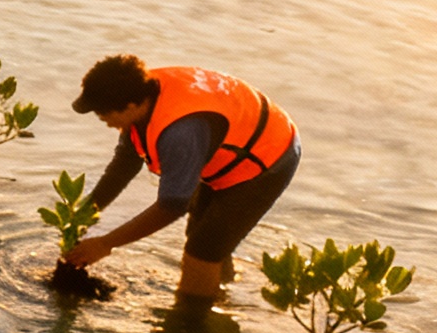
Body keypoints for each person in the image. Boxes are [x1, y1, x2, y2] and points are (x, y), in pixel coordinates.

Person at [61, 54, 302, 304]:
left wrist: (105, 244)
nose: (103, 120)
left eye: (103, 114)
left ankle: (191, 318)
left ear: (131, 106)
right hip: (231, 139)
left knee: (202, 249)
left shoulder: (181, 133)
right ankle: (223, 296)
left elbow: (172, 206)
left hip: (270, 157)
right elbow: (123, 167)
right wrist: (82, 216)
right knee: (202, 229)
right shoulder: (140, 96)